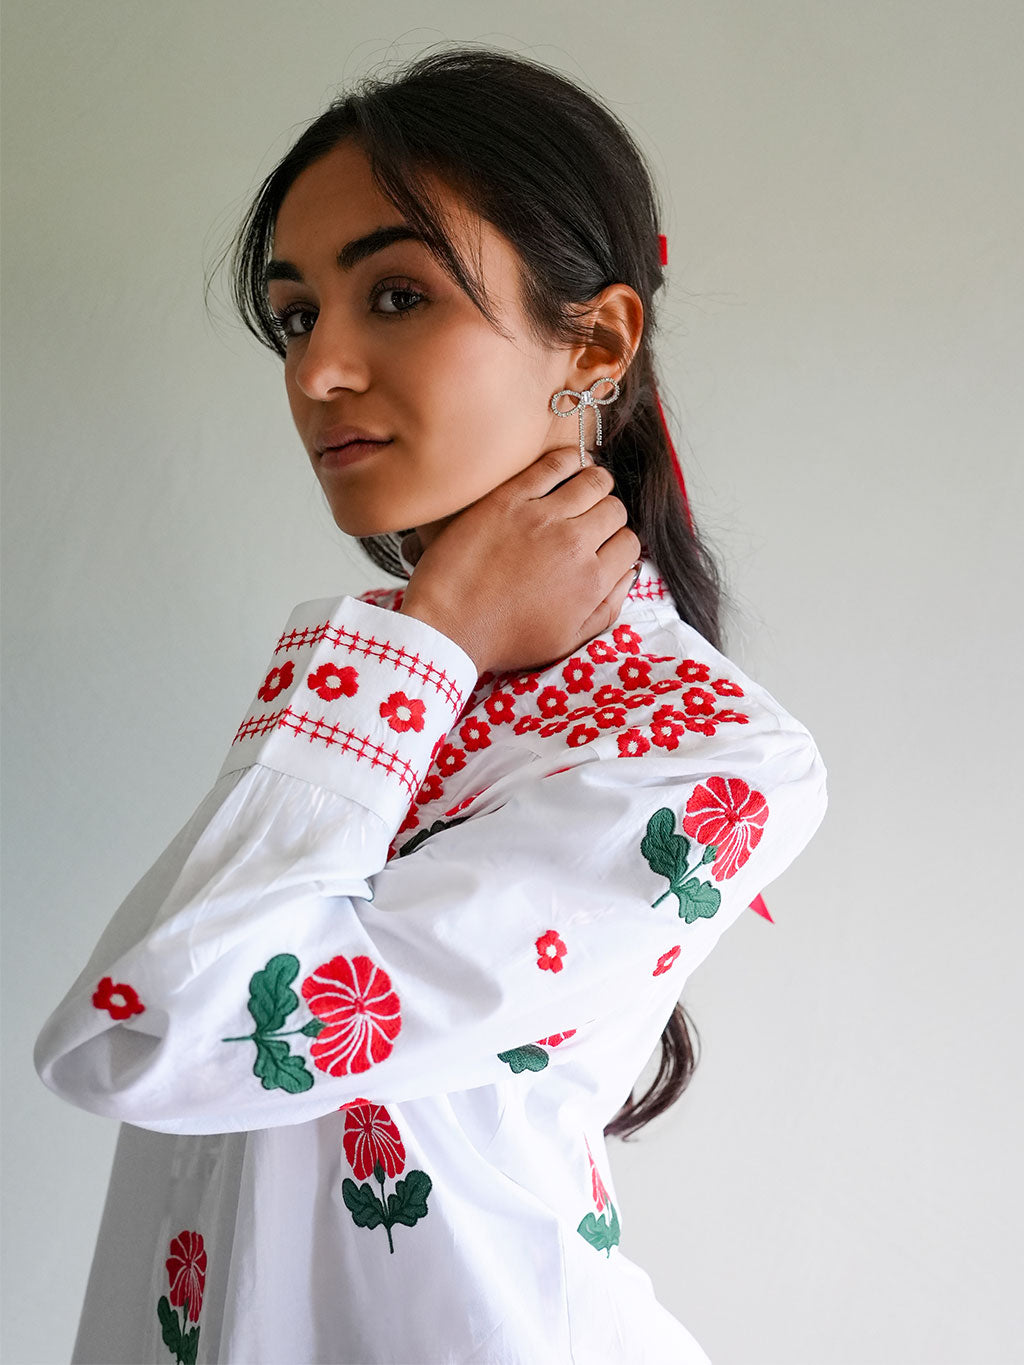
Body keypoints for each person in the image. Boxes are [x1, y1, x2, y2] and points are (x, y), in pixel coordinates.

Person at [33, 45, 828, 1365]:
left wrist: (432, 638)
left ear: (599, 337)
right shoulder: (386, 688)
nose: (319, 370)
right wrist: (431, 645)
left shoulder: (716, 759)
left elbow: (151, 1034)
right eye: (295, 316)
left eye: (396, 295)